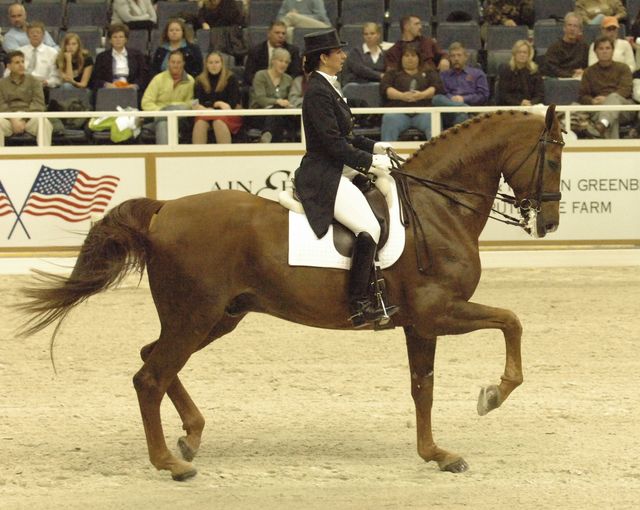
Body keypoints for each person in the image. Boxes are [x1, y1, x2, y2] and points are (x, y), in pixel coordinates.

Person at [293, 28, 398, 327]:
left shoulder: (330, 86)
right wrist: (371, 162)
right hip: (323, 173)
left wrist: (377, 146)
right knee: (369, 228)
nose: (343, 56)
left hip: (340, 167)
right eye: (338, 52)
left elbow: (347, 137)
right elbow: (333, 145)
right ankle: (358, 303)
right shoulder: (317, 92)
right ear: (324, 57)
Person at [380, 44, 443, 141]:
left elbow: (437, 87)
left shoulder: (429, 72)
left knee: (434, 119)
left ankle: (437, 154)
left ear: (419, 58)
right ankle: (386, 154)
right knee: (388, 118)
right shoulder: (392, 73)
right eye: (407, 56)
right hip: (398, 113)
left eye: (413, 56)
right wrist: (401, 96)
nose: (410, 59)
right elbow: (385, 89)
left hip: (423, 113)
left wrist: (422, 95)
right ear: (401, 58)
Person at [580, 36, 634, 138]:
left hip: (624, 107)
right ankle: (603, 125)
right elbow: (583, 95)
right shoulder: (588, 72)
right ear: (595, 52)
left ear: (613, 51)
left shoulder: (623, 68)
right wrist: (592, 101)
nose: (604, 51)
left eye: (607, 48)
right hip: (599, 108)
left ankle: (601, 125)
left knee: (613, 99)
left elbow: (626, 90)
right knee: (611, 116)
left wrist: (606, 99)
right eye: (601, 48)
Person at [0, 50, 53, 146]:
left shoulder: (34, 81)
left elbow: (38, 104)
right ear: (8, 66)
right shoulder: (1, 84)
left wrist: (24, 119)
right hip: (8, 118)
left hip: (29, 117)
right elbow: (1, 105)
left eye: (22, 62)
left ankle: (44, 157)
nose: (21, 65)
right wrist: (13, 119)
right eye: (17, 62)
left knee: (44, 122)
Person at [141, 49, 194, 144]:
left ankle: (162, 156)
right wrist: (162, 112)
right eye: (173, 62)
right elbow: (146, 103)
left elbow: (190, 104)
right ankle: (166, 156)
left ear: (183, 63)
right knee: (163, 123)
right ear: (168, 63)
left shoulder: (190, 81)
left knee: (182, 107)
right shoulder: (158, 79)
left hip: (180, 119)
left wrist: (172, 108)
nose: (175, 65)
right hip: (159, 116)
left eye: (179, 62)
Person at [432, 42, 489, 128]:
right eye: (453, 56)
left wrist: (463, 99)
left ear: (466, 57)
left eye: (459, 55)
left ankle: (463, 110)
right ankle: (464, 108)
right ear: (450, 58)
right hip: (449, 111)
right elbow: (442, 94)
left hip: (472, 111)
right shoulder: (444, 75)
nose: (456, 58)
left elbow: (483, 95)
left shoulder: (477, 74)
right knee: (436, 98)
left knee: (461, 115)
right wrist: (451, 98)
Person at [192, 51, 242, 144]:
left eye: (217, 62)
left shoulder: (231, 78)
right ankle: (197, 156)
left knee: (218, 122)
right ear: (206, 64)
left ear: (222, 63)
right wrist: (216, 105)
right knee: (200, 123)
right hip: (206, 113)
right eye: (210, 63)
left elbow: (233, 102)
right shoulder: (199, 80)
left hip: (227, 114)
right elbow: (197, 102)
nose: (214, 65)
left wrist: (214, 105)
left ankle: (225, 155)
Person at [249, 47, 295, 142]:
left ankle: (267, 137)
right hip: (260, 113)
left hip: (281, 115)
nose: (283, 64)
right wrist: (277, 101)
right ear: (273, 61)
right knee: (276, 112)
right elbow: (260, 99)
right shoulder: (261, 75)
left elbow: (289, 100)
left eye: (286, 62)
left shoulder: (288, 79)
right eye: (280, 61)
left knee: (278, 114)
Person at [92, 24, 149, 98]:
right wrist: (106, 85)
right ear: (110, 40)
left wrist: (134, 86)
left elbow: (144, 76)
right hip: (110, 91)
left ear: (126, 39)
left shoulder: (137, 55)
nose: (118, 40)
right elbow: (95, 79)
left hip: (131, 91)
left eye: (121, 37)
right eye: (115, 37)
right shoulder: (102, 57)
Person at [244, 20, 303, 85]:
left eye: (283, 33)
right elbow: (248, 75)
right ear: (269, 34)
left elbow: (295, 74)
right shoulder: (256, 50)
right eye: (277, 33)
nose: (281, 36)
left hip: (284, 87)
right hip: (261, 86)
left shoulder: (292, 51)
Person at [384, 15, 449, 72]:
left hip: (430, 81)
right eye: (416, 24)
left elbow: (443, 55)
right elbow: (392, 74)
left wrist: (445, 59)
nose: (420, 27)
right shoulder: (393, 52)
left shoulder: (428, 43)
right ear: (406, 26)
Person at [496, 40, 544, 106]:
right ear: (514, 54)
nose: (522, 55)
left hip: (531, 106)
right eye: (519, 52)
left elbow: (540, 95)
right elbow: (504, 95)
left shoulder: (535, 71)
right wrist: (519, 103)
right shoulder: (506, 70)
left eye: (525, 52)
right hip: (511, 107)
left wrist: (531, 103)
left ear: (529, 55)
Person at [544, 12, 590, 78]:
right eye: (569, 25)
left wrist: (584, 71)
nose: (572, 29)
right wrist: (571, 75)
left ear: (580, 30)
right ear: (564, 28)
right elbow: (551, 69)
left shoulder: (584, 47)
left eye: (575, 26)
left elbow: (590, 67)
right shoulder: (554, 48)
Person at [16, 22, 61, 89]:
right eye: (32, 33)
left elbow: (56, 77)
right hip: (20, 85)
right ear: (28, 35)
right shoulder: (19, 52)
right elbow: (8, 73)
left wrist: (47, 82)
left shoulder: (52, 53)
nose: (35, 35)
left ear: (43, 35)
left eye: (38, 32)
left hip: (43, 87)